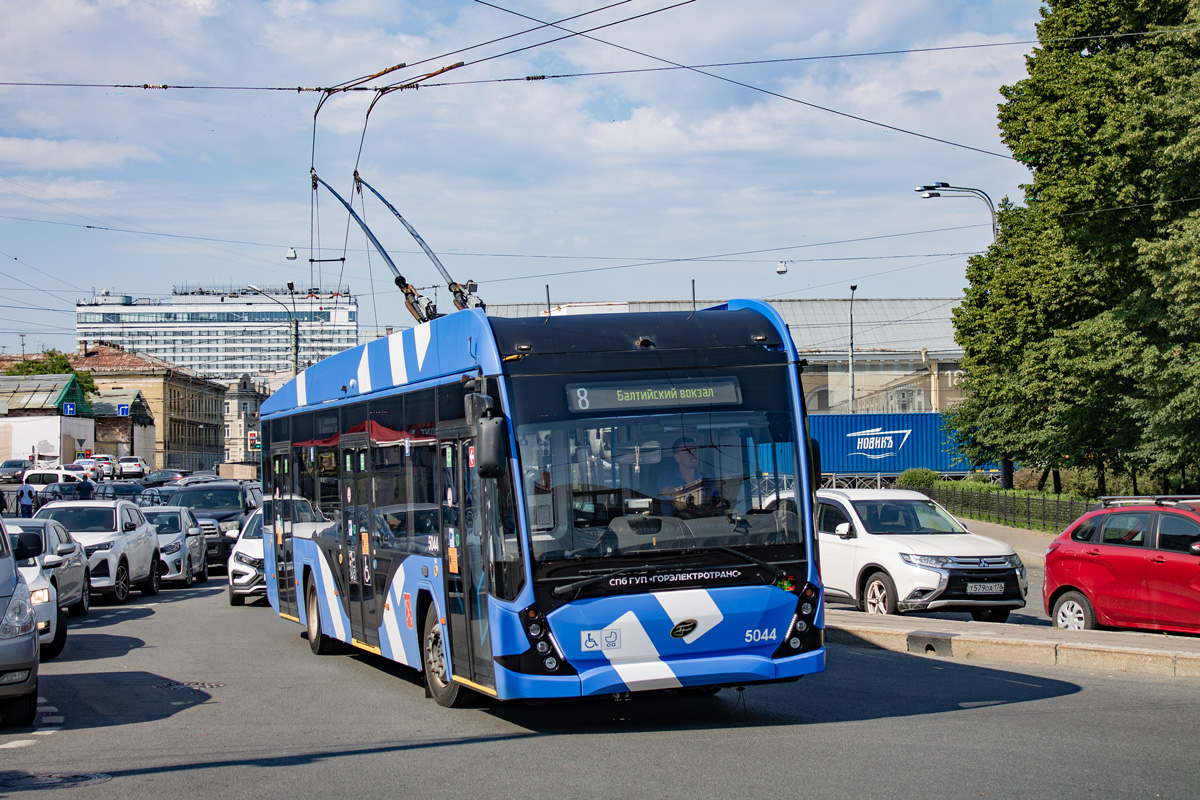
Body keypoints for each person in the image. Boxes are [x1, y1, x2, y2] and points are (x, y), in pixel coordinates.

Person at [657, 437, 720, 516]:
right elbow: (669, 492)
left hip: (703, 522)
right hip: (674, 523)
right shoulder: (665, 477)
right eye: (688, 452)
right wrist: (678, 498)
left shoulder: (707, 479)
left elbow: (716, 503)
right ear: (677, 457)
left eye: (695, 451)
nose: (693, 455)